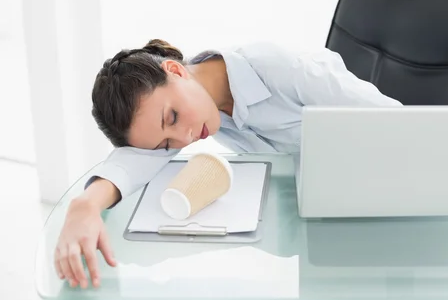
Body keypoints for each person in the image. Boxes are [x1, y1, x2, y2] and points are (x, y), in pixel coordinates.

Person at [54, 39, 402, 289]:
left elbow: (397, 125)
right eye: (167, 143)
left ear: (175, 70)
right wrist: (85, 205)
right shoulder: (197, 110)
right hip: (317, 233)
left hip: (389, 204)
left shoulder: (281, 69)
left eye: (172, 117)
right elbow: (134, 163)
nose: (186, 138)